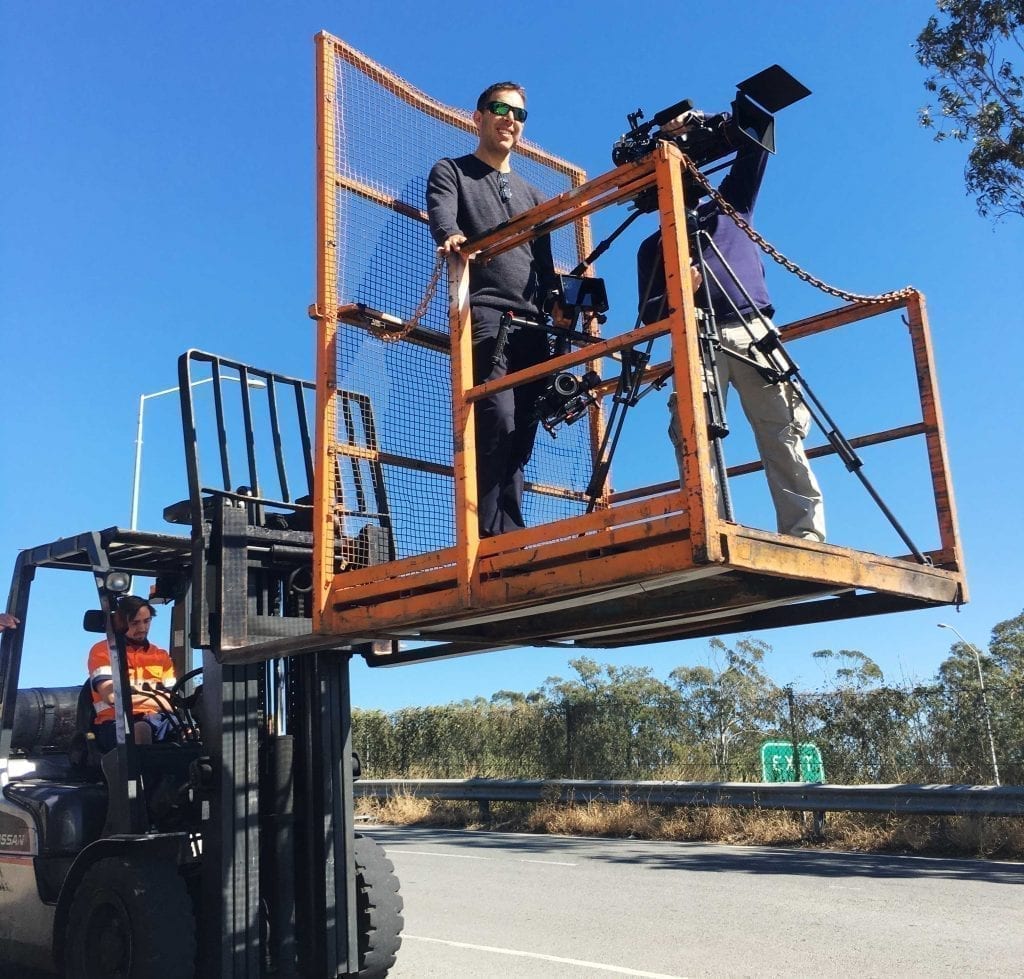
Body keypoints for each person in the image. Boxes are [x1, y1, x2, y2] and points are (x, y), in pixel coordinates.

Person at [637, 111, 825, 542]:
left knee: (781, 429)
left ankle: (804, 533)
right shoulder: (654, 245)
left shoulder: (729, 208)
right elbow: (650, 314)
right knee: (692, 431)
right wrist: (678, 292)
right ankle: (713, 525)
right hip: (693, 333)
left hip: (751, 328)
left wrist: (706, 121)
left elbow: (756, 135)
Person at [427, 81, 560, 537]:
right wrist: (451, 236)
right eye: (500, 109)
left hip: (532, 324)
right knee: (496, 418)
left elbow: (544, 266)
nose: (510, 119)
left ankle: (512, 534)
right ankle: (487, 539)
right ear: (478, 116)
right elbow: (442, 213)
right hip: (485, 315)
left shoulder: (534, 196)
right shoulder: (452, 170)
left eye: (520, 114)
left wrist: (561, 304)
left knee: (524, 429)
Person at [88, 595, 177, 752]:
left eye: (146, 621)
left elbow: (171, 702)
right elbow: (111, 697)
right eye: (135, 623)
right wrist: (156, 698)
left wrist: (129, 697)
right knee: (141, 729)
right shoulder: (103, 652)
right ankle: (145, 776)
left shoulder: (161, 656)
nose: (142, 628)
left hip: (158, 720)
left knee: (194, 732)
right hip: (114, 723)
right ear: (120, 623)